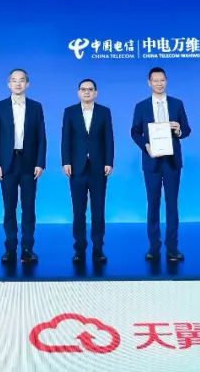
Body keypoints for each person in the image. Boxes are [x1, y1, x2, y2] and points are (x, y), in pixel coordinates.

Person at [130, 67, 192, 262]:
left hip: (172, 162)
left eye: (162, 80)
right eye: (155, 80)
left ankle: (172, 247)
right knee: (153, 204)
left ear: (167, 81)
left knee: (172, 205)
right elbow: (135, 132)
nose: (159, 83)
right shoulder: (141, 106)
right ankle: (154, 247)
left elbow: (187, 130)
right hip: (152, 161)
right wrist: (146, 145)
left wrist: (179, 130)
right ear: (149, 83)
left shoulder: (177, 104)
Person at [0, 69, 47, 264]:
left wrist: (40, 162)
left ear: (27, 84)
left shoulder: (36, 107)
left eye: (22, 80)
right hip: (7, 163)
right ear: (9, 84)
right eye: (14, 80)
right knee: (9, 208)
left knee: (29, 208)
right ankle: (10, 249)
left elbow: (41, 137)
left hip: (29, 163)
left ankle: (28, 248)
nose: (18, 83)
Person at [61, 78, 115, 264]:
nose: (86, 92)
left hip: (99, 168)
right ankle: (79, 249)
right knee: (78, 211)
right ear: (78, 93)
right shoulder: (70, 112)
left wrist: (109, 161)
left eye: (90, 89)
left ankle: (98, 248)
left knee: (98, 210)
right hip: (76, 167)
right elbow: (65, 139)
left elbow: (109, 138)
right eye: (83, 89)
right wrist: (66, 161)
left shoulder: (104, 112)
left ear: (95, 93)